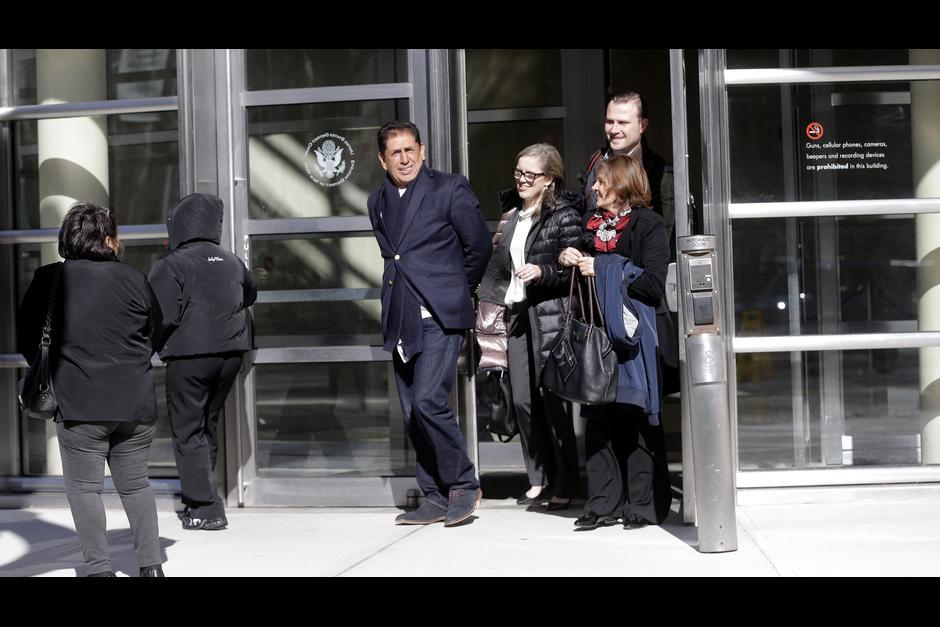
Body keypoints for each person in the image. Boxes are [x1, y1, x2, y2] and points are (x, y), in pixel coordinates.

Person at [17, 202, 164, 577]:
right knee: (136, 486)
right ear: (109, 240)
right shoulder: (134, 278)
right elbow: (155, 332)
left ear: (67, 238)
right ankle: (151, 567)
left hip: (78, 403)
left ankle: (99, 570)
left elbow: (27, 340)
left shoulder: (49, 280)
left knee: (84, 489)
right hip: (134, 401)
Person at [368, 121, 491, 526]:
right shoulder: (377, 201)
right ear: (382, 158)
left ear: (422, 150)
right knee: (411, 412)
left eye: (410, 150)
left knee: (428, 402)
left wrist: (457, 289)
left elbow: (477, 246)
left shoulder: (449, 188)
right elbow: (395, 256)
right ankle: (435, 496)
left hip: (440, 315)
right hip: (401, 316)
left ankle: (463, 486)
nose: (404, 158)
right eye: (395, 152)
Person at [559, 155, 672, 530]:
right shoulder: (591, 227)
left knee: (638, 419)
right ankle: (601, 503)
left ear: (623, 184)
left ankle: (641, 505)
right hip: (597, 337)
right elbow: (574, 276)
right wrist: (567, 257)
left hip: (635, 339)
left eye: (601, 182)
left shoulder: (649, 225)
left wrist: (603, 267)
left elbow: (653, 285)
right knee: (598, 422)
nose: (594, 188)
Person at [476, 143, 583, 511]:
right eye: (518, 172)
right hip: (518, 314)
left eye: (530, 174)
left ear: (549, 179)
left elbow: (574, 267)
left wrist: (543, 271)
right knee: (522, 399)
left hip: (550, 315)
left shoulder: (564, 216)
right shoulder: (512, 216)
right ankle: (537, 476)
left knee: (553, 404)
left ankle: (566, 481)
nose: (521, 180)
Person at [149, 193, 257, 531]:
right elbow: (251, 294)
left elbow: (160, 314)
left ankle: (204, 507)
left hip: (190, 357)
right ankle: (204, 496)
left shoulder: (172, 263)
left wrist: (146, 347)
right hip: (230, 357)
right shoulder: (231, 260)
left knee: (187, 431)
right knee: (206, 426)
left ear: (178, 224)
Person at [583, 91, 679, 395]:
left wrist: (609, 269)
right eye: (609, 121)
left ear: (643, 125)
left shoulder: (660, 172)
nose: (614, 129)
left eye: (623, 121)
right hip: (600, 305)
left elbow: (660, 245)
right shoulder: (595, 164)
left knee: (642, 395)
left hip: (638, 302)